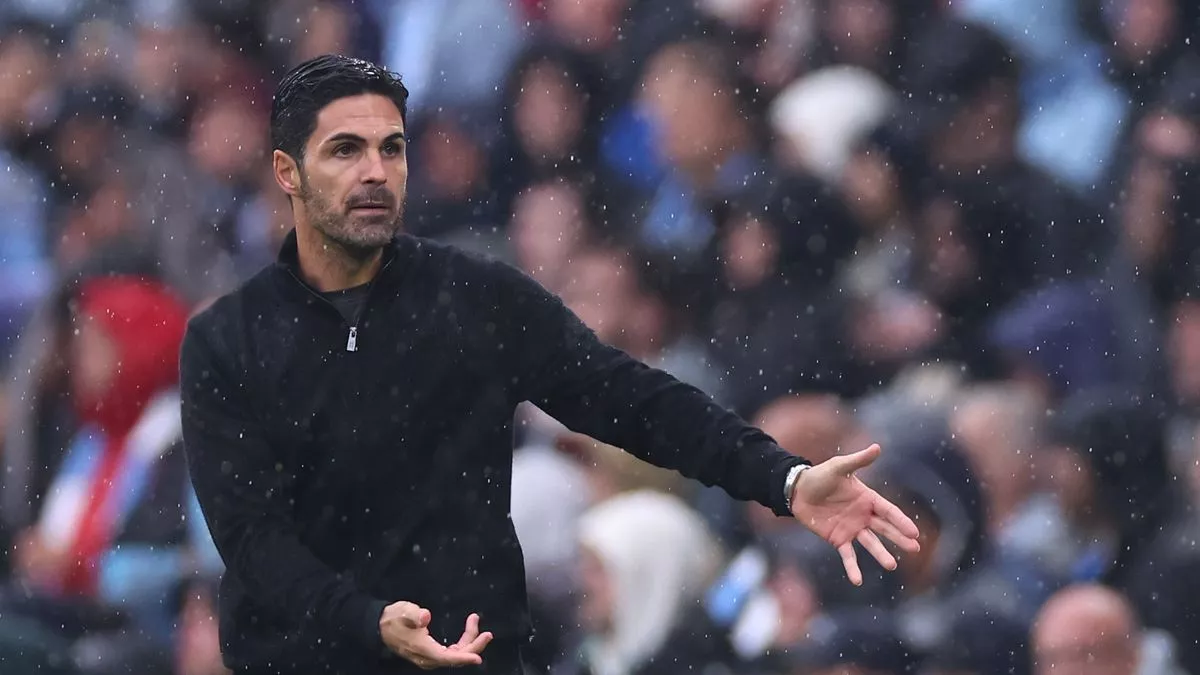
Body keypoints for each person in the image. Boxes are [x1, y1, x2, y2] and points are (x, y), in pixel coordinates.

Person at [179, 54, 921, 675]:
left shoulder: (477, 299)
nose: (375, 171)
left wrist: (784, 479)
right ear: (288, 172)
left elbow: (632, 400)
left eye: (391, 148)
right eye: (346, 150)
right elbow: (251, 537)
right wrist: (368, 622)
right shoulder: (226, 339)